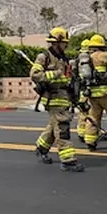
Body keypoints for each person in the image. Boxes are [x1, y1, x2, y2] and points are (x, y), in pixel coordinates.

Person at [31, 26, 84, 172]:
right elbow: (34, 74)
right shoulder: (44, 57)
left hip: (64, 98)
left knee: (54, 125)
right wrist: (55, 74)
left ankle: (41, 147)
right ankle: (68, 160)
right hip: (52, 98)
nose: (66, 45)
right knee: (62, 129)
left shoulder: (64, 59)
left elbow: (67, 78)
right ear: (57, 42)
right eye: (64, 43)